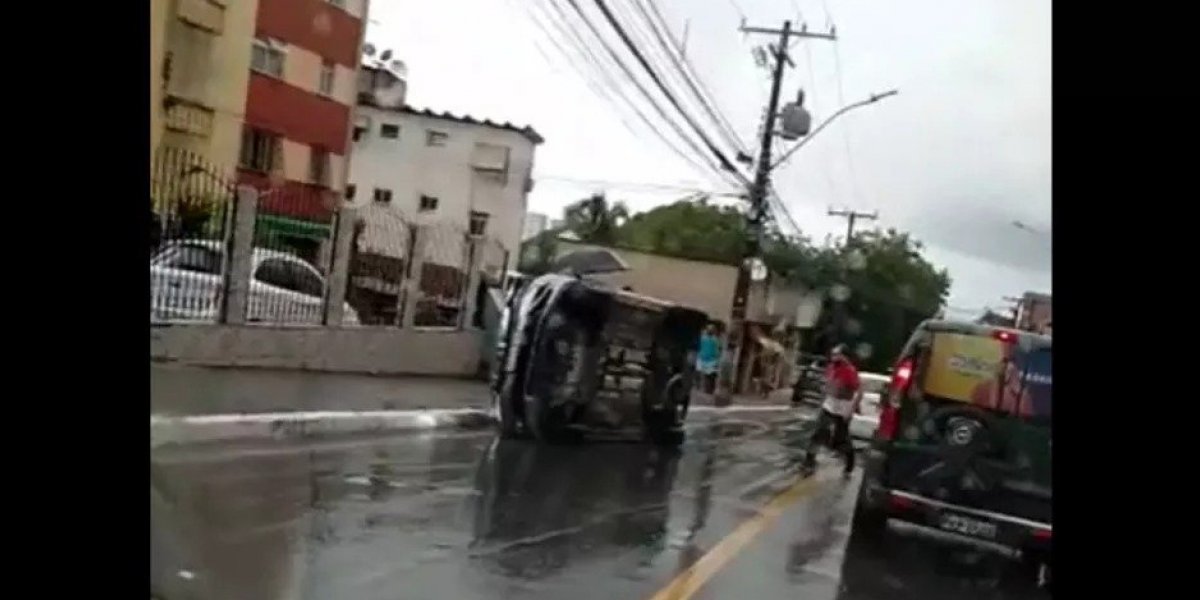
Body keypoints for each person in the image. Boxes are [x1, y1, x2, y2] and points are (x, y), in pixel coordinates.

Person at [804, 344, 861, 476]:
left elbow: (856, 392)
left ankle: (850, 464)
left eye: (837, 354)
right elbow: (827, 385)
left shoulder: (850, 371)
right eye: (833, 354)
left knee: (842, 439)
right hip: (828, 406)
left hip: (842, 410)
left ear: (844, 356)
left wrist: (850, 409)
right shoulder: (831, 368)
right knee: (818, 433)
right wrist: (824, 396)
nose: (833, 357)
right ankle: (809, 462)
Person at [696, 324, 721, 394]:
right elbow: (717, 351)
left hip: (703, 359)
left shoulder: (703, 338)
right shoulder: (715, 340)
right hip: (710, 360)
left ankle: (703, 388)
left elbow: (699, 348)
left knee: (704, 376)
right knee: (710, 376)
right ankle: (708, 389)